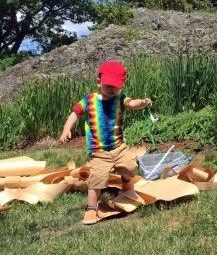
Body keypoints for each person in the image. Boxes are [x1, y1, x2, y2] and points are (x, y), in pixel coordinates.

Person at [59, 61, 152, 225]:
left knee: (130, 166)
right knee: (97, 180)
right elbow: (75, 113)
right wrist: (67, 129)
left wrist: (142, 102)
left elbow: (132, 104)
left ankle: (126, 186)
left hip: (119, 147)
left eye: (116, 86)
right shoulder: (88, 100)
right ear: (98, 82)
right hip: (99, 151)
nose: (112, 89)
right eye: (108, 85)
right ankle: (91, 209)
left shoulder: (121, 99)